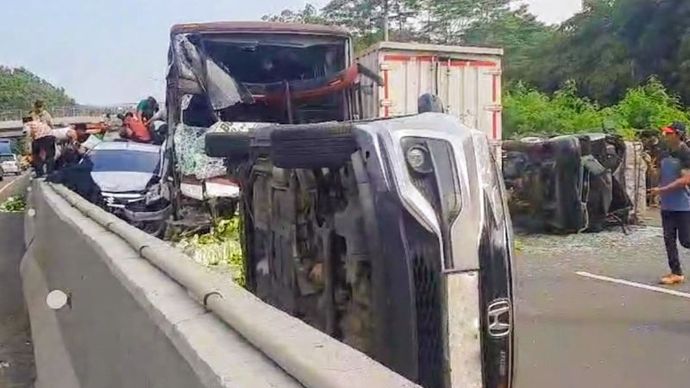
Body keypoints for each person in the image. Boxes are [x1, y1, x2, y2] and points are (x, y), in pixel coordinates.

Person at [650, 122, 690, 285]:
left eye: (669, 133)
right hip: (667, 205)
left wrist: (663, 190)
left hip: (683, 205)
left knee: (686, 241)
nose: (665, 136)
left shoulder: (685, 153)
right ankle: (676, 272)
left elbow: (686, 179)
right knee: (669, 239)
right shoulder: (664, 153)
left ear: (678, 134)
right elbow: (658, 173)